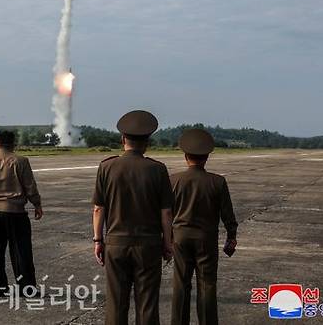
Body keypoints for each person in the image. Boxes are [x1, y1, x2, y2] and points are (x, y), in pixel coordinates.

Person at [92, 110, 174, 325]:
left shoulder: (107, 167)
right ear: (147, 142)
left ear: (122, 140)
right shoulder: (157, 169)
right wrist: (168, 243)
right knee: (147, 304)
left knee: (116, 304)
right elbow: (166, 212)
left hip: (116, 244)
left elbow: (98, 209)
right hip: (148, 246)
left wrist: (98, 240)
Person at [170, 128, 238, 325]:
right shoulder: (217, 182)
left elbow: (166, 213)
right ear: (207, 157)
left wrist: (165, 238)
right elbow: (228, 214)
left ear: (185, 156)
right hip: (206, 239)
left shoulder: (174, 180)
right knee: (207, 285)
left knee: (181, 285)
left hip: (180, 238)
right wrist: (231, 236)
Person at [0, 130, 43, 298]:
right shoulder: (21, 161)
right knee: (21, 252)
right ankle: (26, 288)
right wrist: (37, 204)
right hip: (16, 213)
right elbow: (30, 187)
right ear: (13, 143)